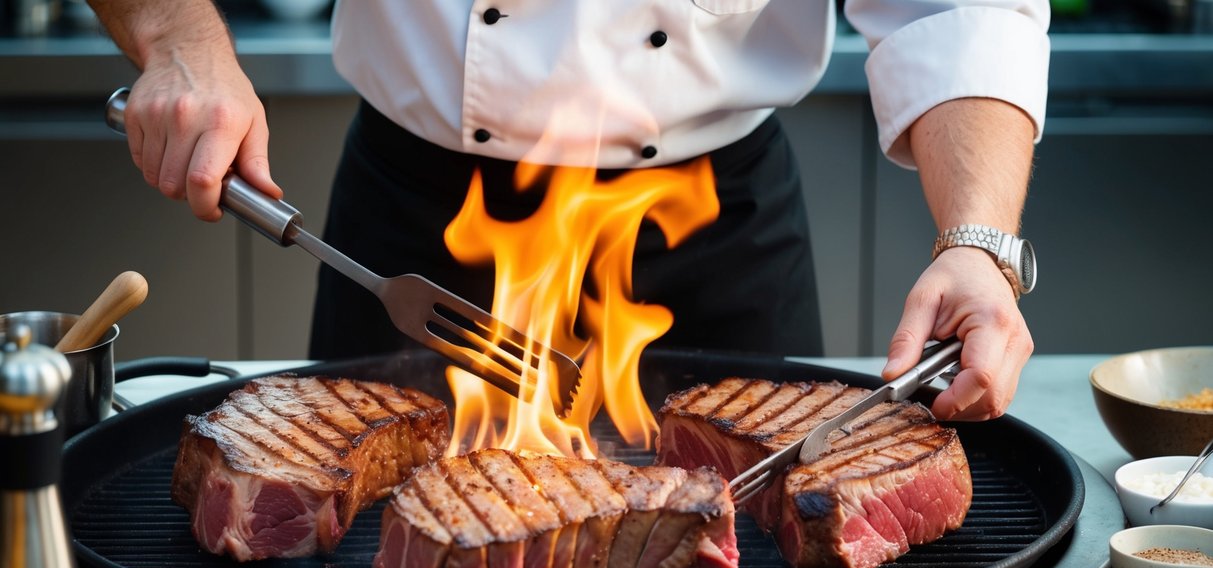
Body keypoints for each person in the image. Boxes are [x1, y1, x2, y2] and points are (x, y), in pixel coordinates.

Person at [86, 0, 1047, 422]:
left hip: (712, 236)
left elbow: (953, 7)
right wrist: (175, 32)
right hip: (420, 230)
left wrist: (976, 240)